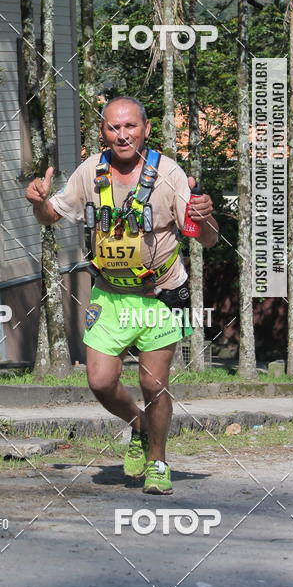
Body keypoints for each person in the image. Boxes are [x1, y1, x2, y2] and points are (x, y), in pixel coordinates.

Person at [25, 97, 218, 494]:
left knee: (154, 385)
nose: (122, 134)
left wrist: (205, 216)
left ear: (146, 130)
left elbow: (209, 239)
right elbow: (51, 218)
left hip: (162, 293)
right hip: (110, 295)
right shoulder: (89, 172)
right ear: (103, 133)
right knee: (100, 381)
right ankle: (139, 425)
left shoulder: (168, 174)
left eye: (130, 126)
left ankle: (158, 462)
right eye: (114, 128)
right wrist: (39, 203)